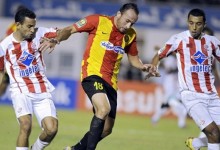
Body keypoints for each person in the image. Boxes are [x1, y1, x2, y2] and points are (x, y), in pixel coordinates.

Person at [39, 3, 156, 150]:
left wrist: (144, 66)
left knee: (107, 129)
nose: (129, 25)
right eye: (127, 20)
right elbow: (70, 29)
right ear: (119, 14)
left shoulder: (131, 34)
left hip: (111, 82)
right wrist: (57, 39)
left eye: (132, 22)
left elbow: (133, 59)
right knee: (103, 109)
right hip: (92, 73)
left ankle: (74, 149)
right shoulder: (97, 21)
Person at [146, 8, 220, 150]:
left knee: (218, 134)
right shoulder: (178, 39)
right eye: (191, 23)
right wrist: (154, 66)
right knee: (213, 132)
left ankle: (196, 143)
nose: (194, 27)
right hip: (192, 95)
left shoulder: (212, 42)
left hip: (211, 95)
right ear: (187, 22)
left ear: (204, 24)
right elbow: (159, 54)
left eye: (198, 24)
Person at [0, 8, 58, 150]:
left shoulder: (40, 33)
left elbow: (64, 32)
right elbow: (1, 71)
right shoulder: (4, 46)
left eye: (34, 25)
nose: (32, 30)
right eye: (29, 26)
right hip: (20, 91)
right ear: (18, 25)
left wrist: (56, 40)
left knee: (51, 129)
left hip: (42, 89)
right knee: (26, 125)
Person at [151, 51, 187, 128]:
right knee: (169, 102)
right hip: (170, 82)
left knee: (180, 101)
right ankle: (155, 118)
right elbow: (169, 69)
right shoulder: (170, 58)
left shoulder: (180, 58)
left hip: (177, 82)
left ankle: (181, 123)